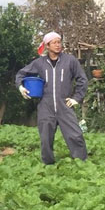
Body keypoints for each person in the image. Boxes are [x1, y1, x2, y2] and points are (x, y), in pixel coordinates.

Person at [15, 31, 88, 165]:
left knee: (75, 135)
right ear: (47, 45)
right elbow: (21, 74)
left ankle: (81, 163)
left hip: (65, 104)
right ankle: (48, 164)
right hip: (46, 106)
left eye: (59, 42)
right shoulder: (39, 63)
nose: (57, 45)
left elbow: (82, 79)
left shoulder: (70, 61)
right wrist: (21, 87)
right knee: (45, 138)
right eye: (54, 42)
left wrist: (76, 98)